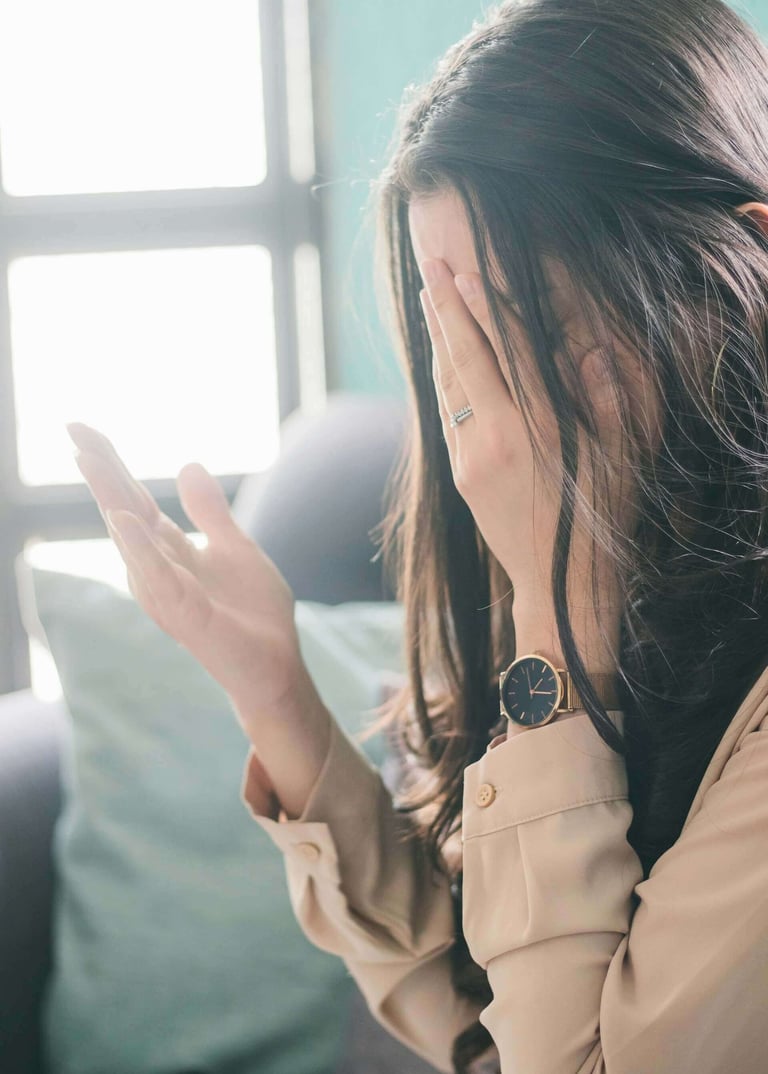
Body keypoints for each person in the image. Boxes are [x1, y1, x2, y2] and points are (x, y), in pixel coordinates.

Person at [66, 0, 768, 1069]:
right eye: (458, 342)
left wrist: (557, 615)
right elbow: (490, 1019)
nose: (484, 411)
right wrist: (276, 695)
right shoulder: (628, 543)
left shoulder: (576, 568)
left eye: (534, 325)